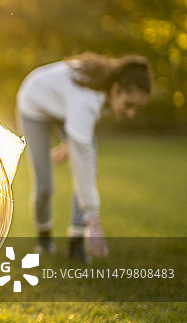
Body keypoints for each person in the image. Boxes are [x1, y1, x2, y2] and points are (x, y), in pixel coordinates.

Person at [16, 53, 152, 261]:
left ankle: (76, 242)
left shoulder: (105, 96)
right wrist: (93, 216)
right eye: (129, 104)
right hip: (34, 105)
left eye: (137, 108)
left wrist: (71, 142)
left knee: (87, 157)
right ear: (116, 89)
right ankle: (44, 239)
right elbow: (83, 161)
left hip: (64, 107)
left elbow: (80, 136)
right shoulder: (87, 98)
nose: (131, 113)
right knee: (45, 184)